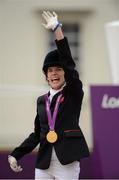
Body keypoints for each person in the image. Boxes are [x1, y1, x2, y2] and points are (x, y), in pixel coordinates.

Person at [8, 11, 89, 179]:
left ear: (64, 73)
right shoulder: (41, 101)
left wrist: (57, 30)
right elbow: (38, 134)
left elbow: (69, 63)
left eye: (58, 69)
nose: (54, 73)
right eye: (50, 70)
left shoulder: (74, 92)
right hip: (44, 163)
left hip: (67, 162)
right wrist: (16, 154)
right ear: (46, 76)